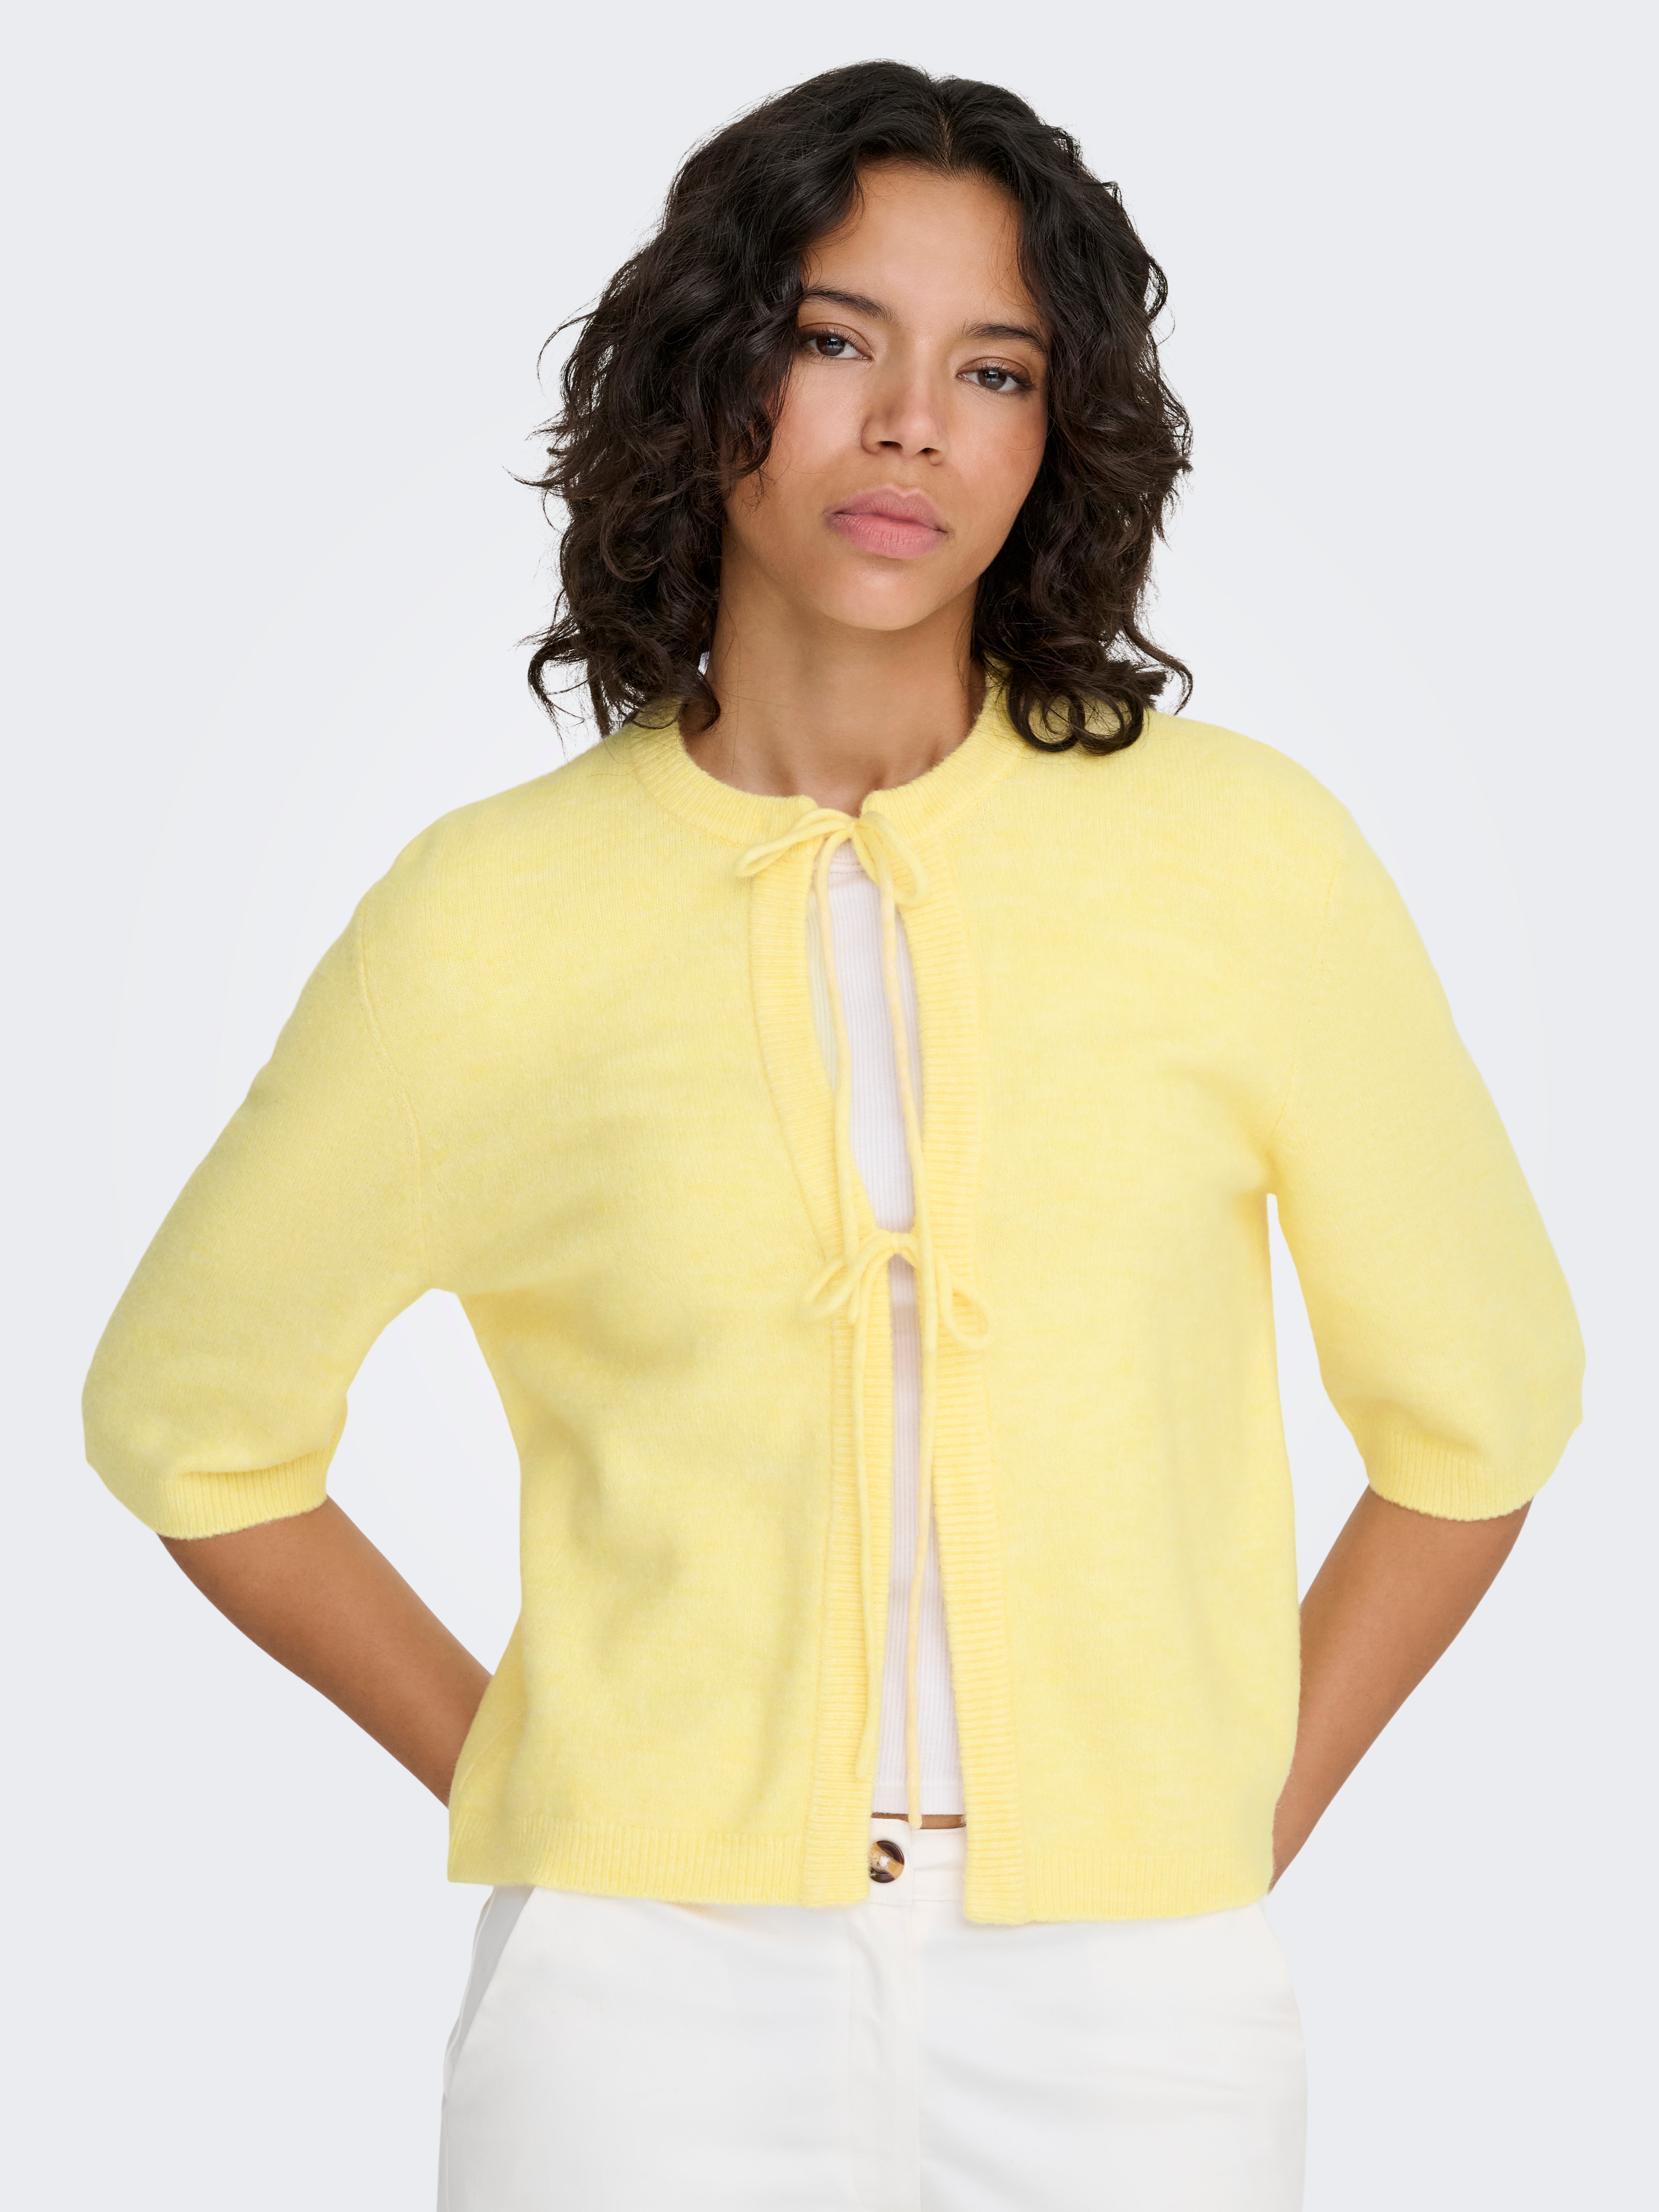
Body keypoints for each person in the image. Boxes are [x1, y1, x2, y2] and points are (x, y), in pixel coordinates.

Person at [81, 59, 1584, 2212]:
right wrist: (532, 1776)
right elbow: (189, 1424)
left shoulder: (1243, 860)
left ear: (1053, 436)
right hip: (636, 2011)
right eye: (831, 338)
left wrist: (1237, 1818)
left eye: (993, 369)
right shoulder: (492, 914)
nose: (909, 426)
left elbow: (1481, 1406)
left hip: (1132, 2013)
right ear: (708, 376)